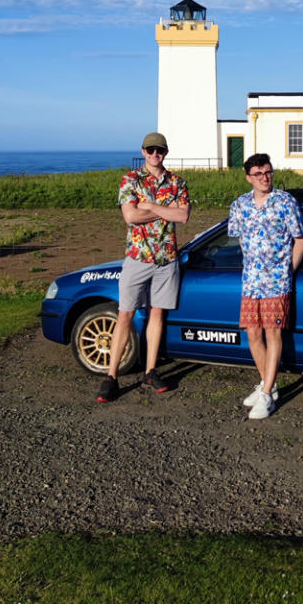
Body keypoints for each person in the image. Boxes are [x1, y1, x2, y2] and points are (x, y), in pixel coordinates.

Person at [97, 132, 190, 403]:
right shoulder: (130, 179)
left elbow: (183, 215)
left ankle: (150, 372)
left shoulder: (177, 182)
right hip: (138, 257)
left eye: (159, 150)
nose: (155, 155)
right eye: (150, 150)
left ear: (166, 152)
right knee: (125, 315)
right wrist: (163, 208)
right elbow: (130, 215)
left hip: (166, 259)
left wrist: (149, 205)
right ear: (143, 151)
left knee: (157, 314)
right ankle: (111, 376)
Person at [227, 153, 303, 420]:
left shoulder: (285, 202)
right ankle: (267, 386)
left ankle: (267, 392)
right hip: (250, 280)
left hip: (277, 281)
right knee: (252, 334)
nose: (265, 178)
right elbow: (238, 239)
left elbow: (301, 241)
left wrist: (287, 272)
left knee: (273, 334)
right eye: (258, 174)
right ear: (249, 177)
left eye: (268, 172)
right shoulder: (239, 205)